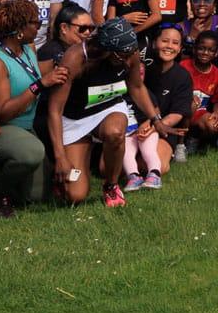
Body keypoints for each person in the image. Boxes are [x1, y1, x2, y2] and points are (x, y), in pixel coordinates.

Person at [45, 19, 153, 206]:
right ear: (105, 50)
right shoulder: (75, 58)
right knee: (75, 196)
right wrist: (60, 156)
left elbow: (136, 86)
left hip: (108, 109)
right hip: (75, 118)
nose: (128, 61)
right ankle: (65, 171)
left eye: (130, 54)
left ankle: (111, 186)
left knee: (115, 132)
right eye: (122, 56)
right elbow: (55, 110)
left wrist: (155, 118)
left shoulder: (129, 50)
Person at [0, 0, 52, 213]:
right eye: (35, 22)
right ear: (20, 29)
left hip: (23, 126)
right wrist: (39, 86)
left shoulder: (27, 49)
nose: (39, 26)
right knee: (31, 153)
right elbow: (2, 112)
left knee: (35, 196)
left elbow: (31, 72)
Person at [131, 26, 191, 184]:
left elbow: (178, 113)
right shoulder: (142, 69)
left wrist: (155, 127)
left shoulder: (182, 76)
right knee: (105, 167)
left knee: (155, 166)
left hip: (162, 129)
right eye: (164, 41)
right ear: (154, 43)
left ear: (180, 48)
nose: (169, 46)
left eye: (175, 43)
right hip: (133, 126)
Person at [180, 31, 218, 153]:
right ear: (195, 49)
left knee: (214, 125)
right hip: (180, 112)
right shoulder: (184, 66)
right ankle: (180, 144)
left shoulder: (217, 74)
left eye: (210, 50)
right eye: (201, 48)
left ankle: (194, 138)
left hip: (200, 114)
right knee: (191, 104)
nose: (205, 53)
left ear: (216, 53)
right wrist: (188, 96)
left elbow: (216, 101)